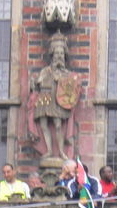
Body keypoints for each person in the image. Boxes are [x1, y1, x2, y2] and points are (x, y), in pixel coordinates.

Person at [29, 31, 80, 160]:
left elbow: (70, 87)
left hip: (58, 101)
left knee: (58, 125)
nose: (59, 56)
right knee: (44, 124)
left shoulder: (66, 73)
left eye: (61, 53)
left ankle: (61, 151)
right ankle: (49, 150)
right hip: (45, 98)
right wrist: (34, 83)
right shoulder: (46, 70)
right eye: (57, 53)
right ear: (52, 55)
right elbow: (38, 82)